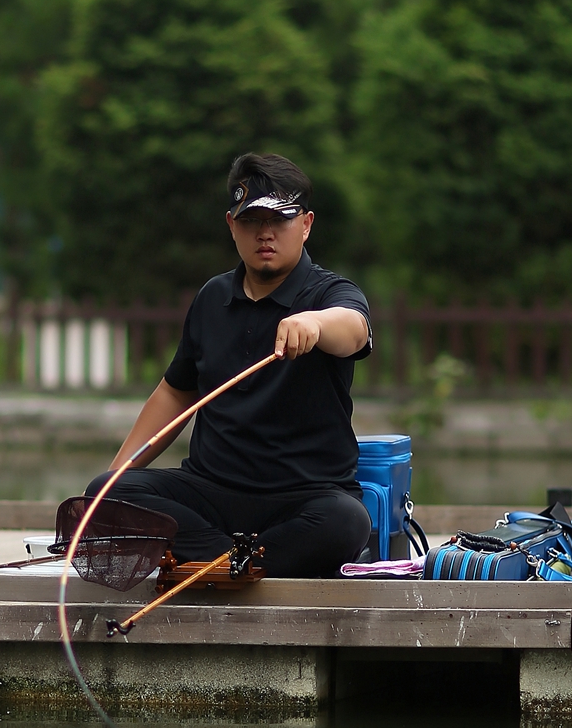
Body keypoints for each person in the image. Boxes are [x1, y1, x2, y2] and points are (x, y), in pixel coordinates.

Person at [85, 151, 374, 578]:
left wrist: (314, 322)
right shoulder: (211, 298)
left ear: (307, 224)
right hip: (211, 494)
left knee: (347, 522)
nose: (265, 233)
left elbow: (354, 330)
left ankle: (220, 561)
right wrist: (116, 475)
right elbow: (176, 390)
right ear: (231, 225)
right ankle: (236, 560)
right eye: (252, 221)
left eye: (279, 220)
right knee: (103, 494)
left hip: (303, 498)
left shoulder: (329, 293)